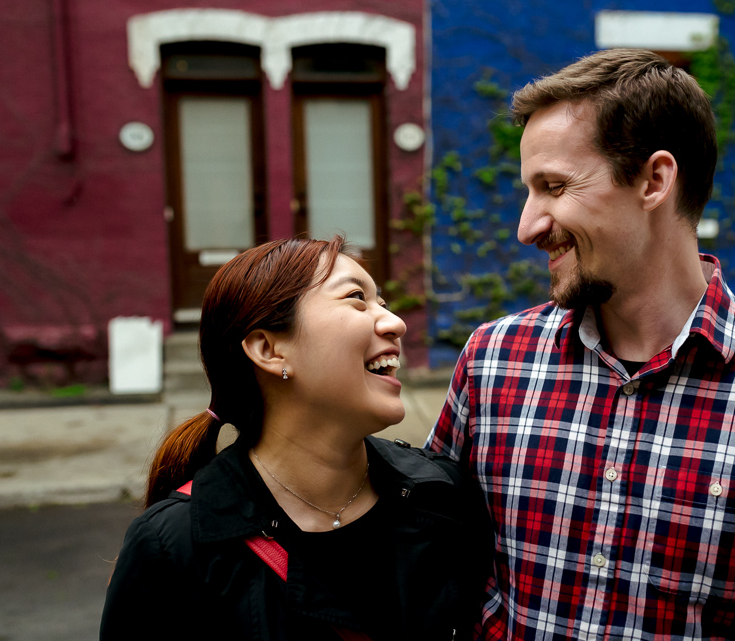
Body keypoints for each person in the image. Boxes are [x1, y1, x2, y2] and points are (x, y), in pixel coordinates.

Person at [426, 49, 735, 640]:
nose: (527, 226)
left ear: (654, 180)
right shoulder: (492, 363)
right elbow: (430, 573)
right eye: (529, 191)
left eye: (554, 187)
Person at [102, 237, 489, 641]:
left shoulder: (442, 496)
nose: (396, 323)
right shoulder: (174, 547)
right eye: (357, 298)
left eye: (384, 304)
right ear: (269, 349)